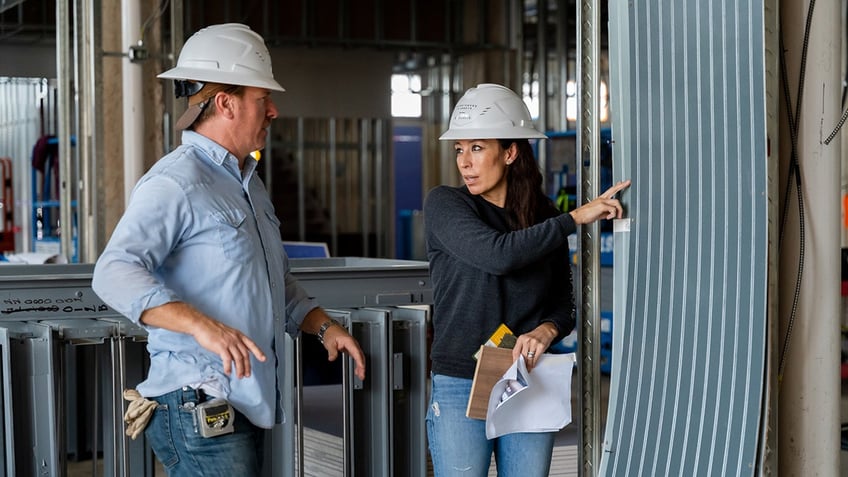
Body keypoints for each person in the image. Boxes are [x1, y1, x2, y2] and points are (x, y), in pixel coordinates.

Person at [92, 23, 366, 476]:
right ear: (226, 103)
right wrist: (202, 326)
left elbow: (273, 280)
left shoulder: (248, 184)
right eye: (263, 99)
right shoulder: (176, 182)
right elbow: (114, 271)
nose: (274, 111)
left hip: (245, 402)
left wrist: (323, 327)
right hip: (197, 403)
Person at [423, 83, 630, 477]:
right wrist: (574, 218)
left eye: (477, 147)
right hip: (459, 383)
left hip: (527, 379)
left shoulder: (543, 217)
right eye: (459, 150)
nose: (465, 162)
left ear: (510, 151)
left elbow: (563, 303)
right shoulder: (446, 205)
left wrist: (547, 330)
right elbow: (498, 255)